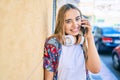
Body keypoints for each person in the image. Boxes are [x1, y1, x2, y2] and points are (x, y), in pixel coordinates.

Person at [43, 3, 101, 80]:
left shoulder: (82, 40)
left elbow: (95, 69)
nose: (75, 25)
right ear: (61, 24)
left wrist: (90, 38)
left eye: (77, 19)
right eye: (68, 21)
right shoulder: (53, 44)